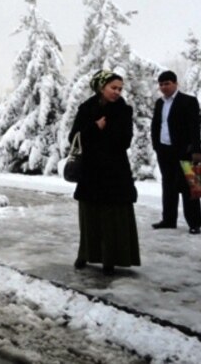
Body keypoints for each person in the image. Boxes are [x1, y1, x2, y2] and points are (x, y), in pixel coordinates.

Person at [68, 70, 140, 275]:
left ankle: (111, 259)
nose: (117, 92)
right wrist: (95, 127)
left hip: (114, 172)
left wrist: (101, 135)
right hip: (90, 172)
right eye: (113, 88)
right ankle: (86, 254)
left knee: (113, 216)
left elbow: (124, 140)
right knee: (89, 215)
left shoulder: (124, 110)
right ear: (101, 87)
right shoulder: (86, 108)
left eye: (120, 88)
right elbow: (74, 137)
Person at [150, 70, 201, 234]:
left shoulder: (188, 101)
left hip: (184, 152)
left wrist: (195, 150)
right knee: (168, 186)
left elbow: (195, 128)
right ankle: (168, 220)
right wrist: (157, 146)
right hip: (164, 151)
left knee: (189, 188)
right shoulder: (160, 103)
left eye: (167, 83)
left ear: (175, 83)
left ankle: (194, 223)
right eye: (161, 84)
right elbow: (156, 125)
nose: (163, 87)